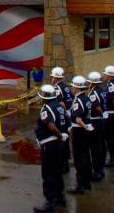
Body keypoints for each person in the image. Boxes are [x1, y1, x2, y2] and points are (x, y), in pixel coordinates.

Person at [33, 84, 68, 213]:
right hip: (60, 144)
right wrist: (63, 136)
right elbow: (67, 123)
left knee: (48, 174)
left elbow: (51, 127)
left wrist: (58, 136)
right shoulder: (60, 107)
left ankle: (49, 202)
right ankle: (60, 197)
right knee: (57, 172)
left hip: (51, 144)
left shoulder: (46, 109)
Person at [67, 76, 93, 194]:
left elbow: (78, 119)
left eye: (73, 86)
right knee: (86, 155)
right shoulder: (86, 98)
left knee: (79, 157)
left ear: (77, 88)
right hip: (86, 129)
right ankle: (87, 181)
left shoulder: (78, 100)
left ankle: (80, 184)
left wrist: (84, 126)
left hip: (79, 130)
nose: (72, 88)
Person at [50, 67, 72, 173]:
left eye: (52, 77)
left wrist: (64, 113)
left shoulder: (57, 88)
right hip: (68, 113)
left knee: (60, 138)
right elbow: (71, 100)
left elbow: (61, 103)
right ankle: (65, 162)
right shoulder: (66, 86)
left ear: (55, 78)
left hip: (62, 116)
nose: (51, 79)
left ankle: (63, 163)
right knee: (65, 138)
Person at [86, 71, 106, 181]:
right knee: (100, 145)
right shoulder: (101, 90)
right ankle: (100, 168)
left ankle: (97, 170)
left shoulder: (93, 93)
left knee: (95, 147)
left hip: (95, 122)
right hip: (100, 121)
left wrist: (101, 114)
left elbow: (97, 107)